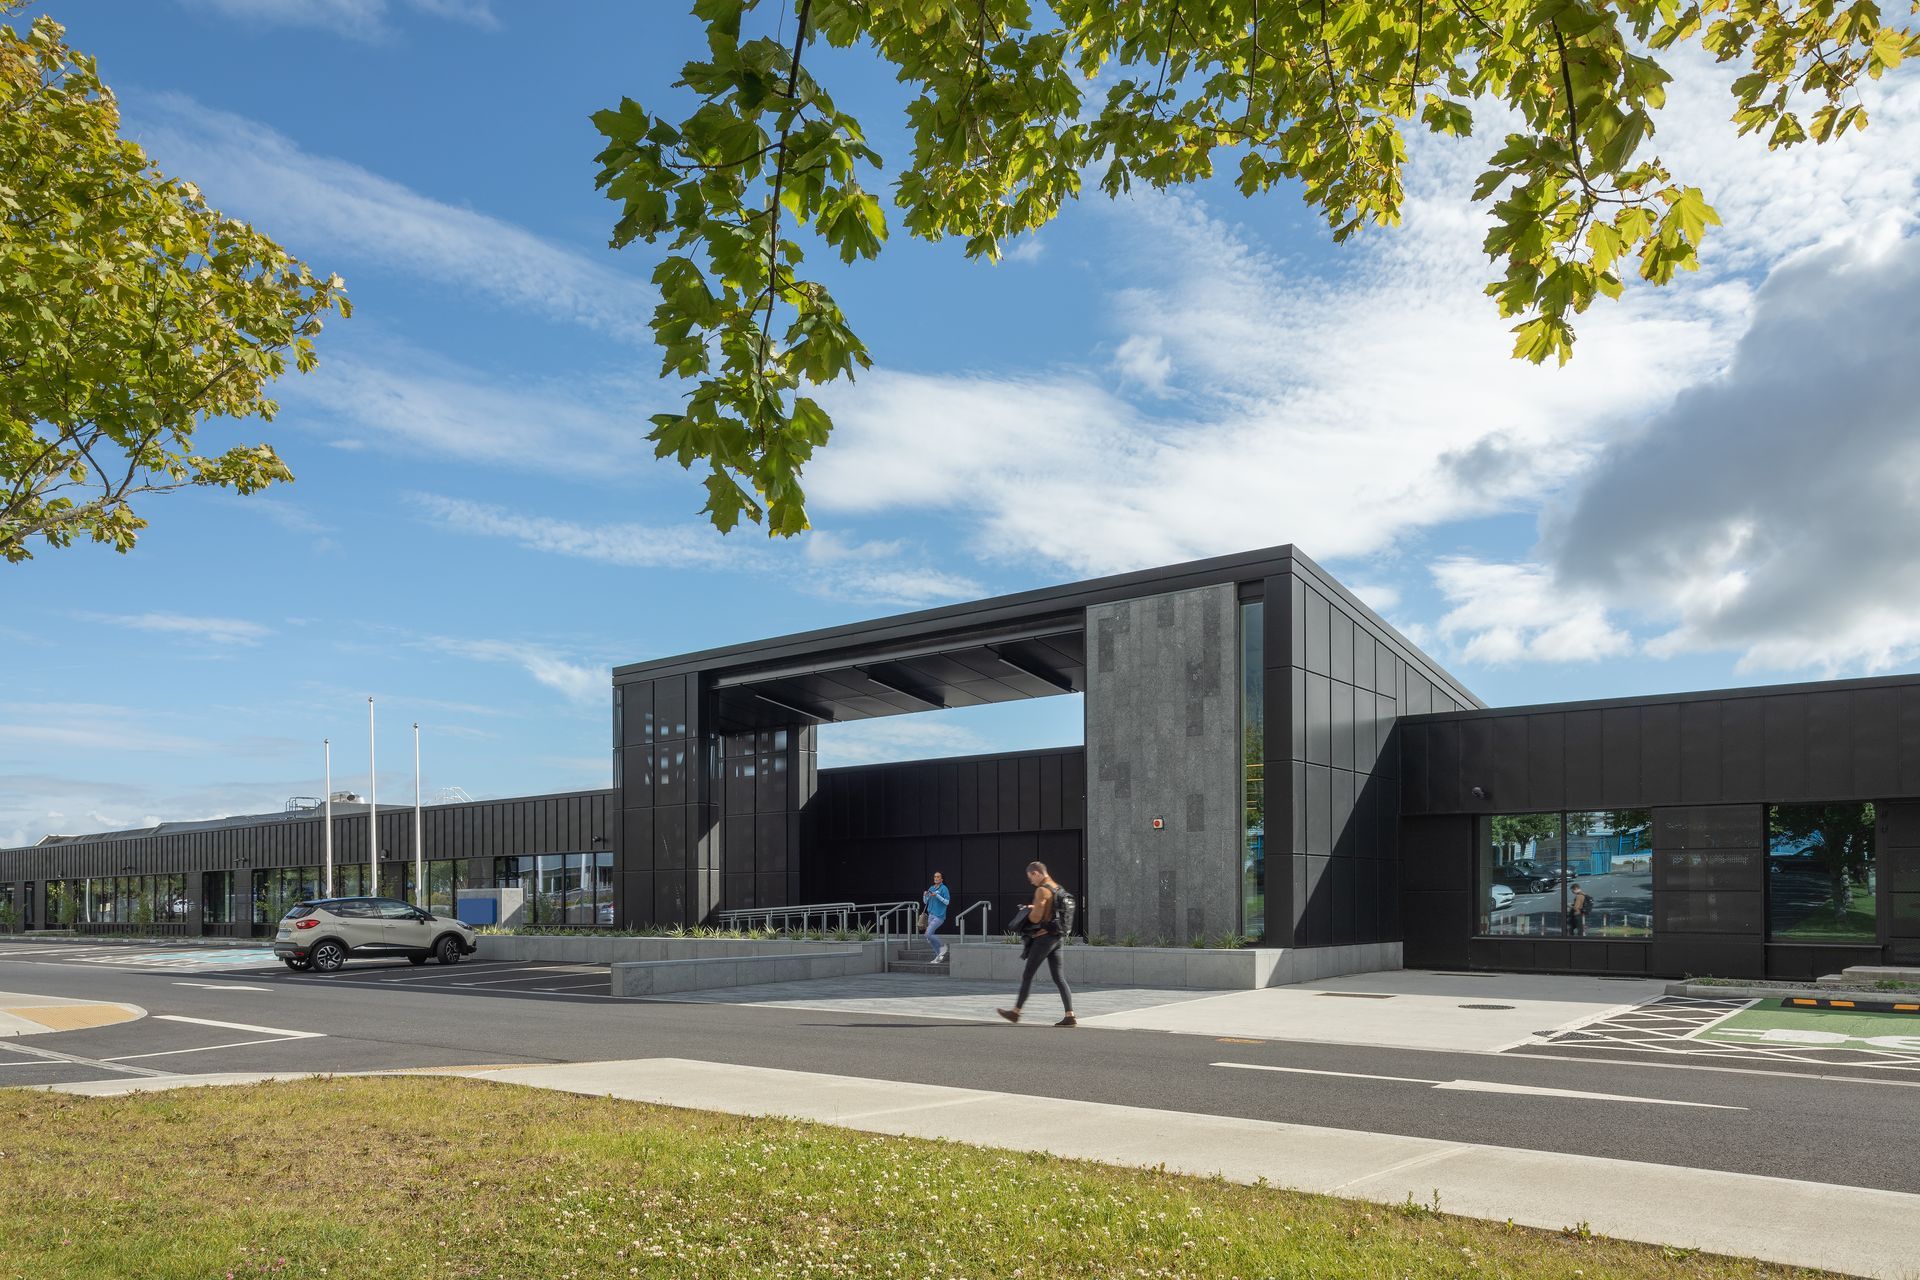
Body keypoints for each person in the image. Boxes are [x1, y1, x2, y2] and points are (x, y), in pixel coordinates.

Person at [997, 861, 1076, 1027]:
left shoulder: (1041, 890)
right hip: (1057, 938)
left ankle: (1015, 1013)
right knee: (1059, 977)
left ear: (1036, 873)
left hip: (1044, 940)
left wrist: (1028, 910)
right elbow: (1051, 911)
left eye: (1030, 877)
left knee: (1028, 975)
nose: (1030, 881)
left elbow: (1035, 918)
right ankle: (1070, 1015)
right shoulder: (1057, 888)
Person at [921, 870, 951, 962]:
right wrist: (924, 896)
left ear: (941, 879)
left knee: (928, 934)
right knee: (929, 938)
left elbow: (947, 902)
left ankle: (942, 946)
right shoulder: (931, 888)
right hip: (931, 915)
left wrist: (937, 895)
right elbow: (926, 902)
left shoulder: (944, 888)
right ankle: (939, 956)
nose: (936, 878)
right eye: (935, 877)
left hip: (939, 916)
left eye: (938, 877)